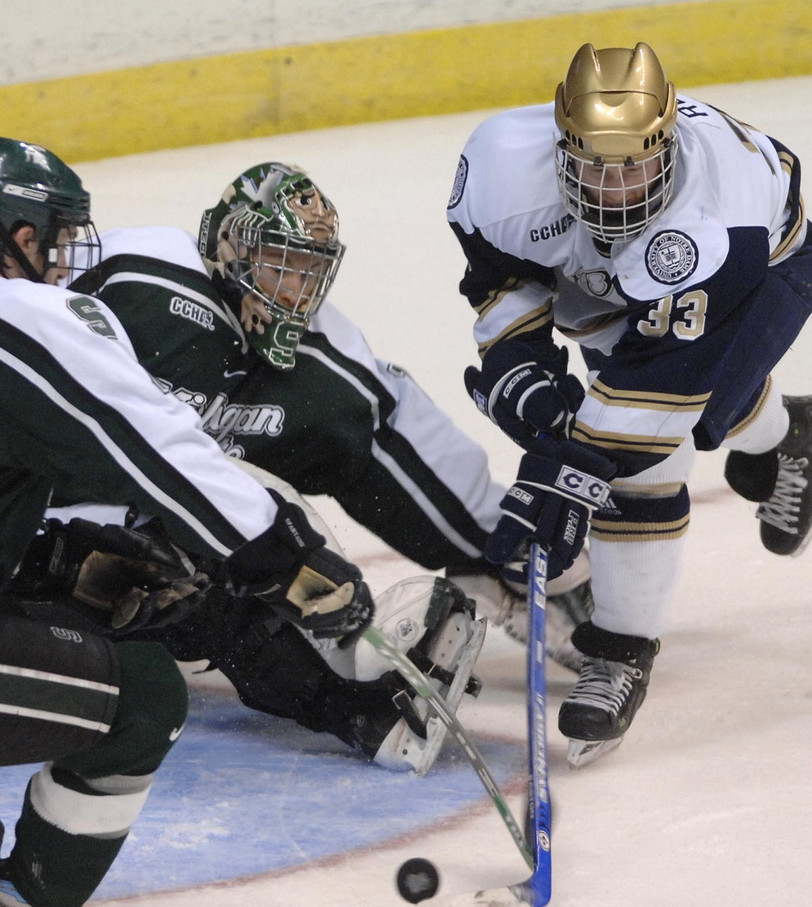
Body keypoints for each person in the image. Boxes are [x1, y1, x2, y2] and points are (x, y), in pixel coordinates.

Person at [50, 160, 594, 769]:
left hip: (184, 492)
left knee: (314, 467)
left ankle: (489, 585)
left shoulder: (317, 350)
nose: (295, 290)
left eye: (310, 270)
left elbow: (391, 427)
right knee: (212, 567)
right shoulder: (130, 281)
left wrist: (505, 542)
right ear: (228, 245)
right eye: (279, 263)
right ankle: (353, 700)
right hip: (62, 500)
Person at [0, 139, 374, 907]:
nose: (63, 261)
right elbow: (150, 446)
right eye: (50, 239)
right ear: (11, 233)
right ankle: (29, 903)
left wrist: (55, 557)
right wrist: (286, 560)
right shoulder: (17, 320)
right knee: (143, 693)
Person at [446, 42, 812, 766]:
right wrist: (529, 384)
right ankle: (791, 436)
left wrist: (570, 467)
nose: (615, 188)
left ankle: (620, 652)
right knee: (632, 418)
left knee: (660, 448)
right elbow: (502, 283)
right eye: (592, 167)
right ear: (561, 146)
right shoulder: (497, 165)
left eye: (637, 166)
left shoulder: (721, 218)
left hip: (765, 267)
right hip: (612, 272)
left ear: (668, 146)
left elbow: (656, 393)